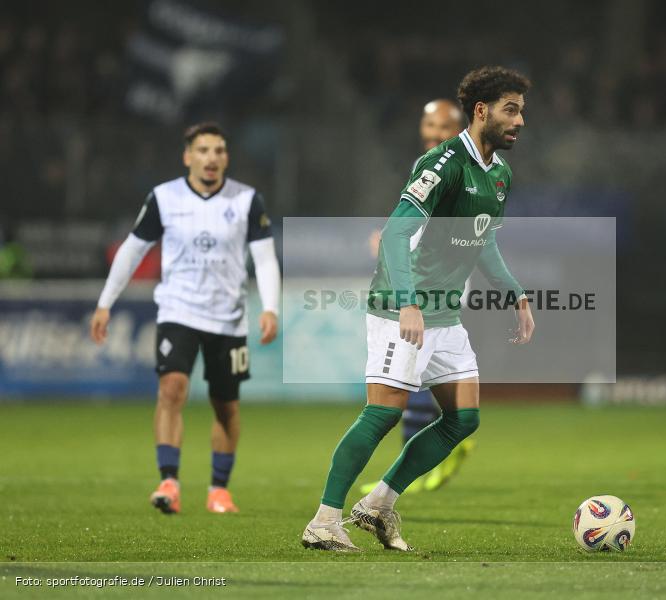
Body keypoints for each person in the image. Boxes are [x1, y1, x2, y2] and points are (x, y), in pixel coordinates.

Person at [302, 66, 535, 551]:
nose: (519, 121)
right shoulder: (444, 162)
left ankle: (378, 504)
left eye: (521, 111)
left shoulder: (500, 174)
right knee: (383, 414)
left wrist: (515, 293)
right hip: (400, 308)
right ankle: (323, 520)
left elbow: (484, 240)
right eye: (510, 110)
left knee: (463, 419)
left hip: (444, 314)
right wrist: (408, 303)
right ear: (481, 111)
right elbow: (394, 232)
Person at [90, 122, 281, 515]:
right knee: (171, 389)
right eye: (204, 150)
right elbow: (133, 249)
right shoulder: (164, 197)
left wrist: (270, 307)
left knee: (225, 405)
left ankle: (219, 490)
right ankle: (169, 482)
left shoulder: (246, 200)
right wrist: (106, 302)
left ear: (226, 157)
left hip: (228, 318)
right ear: (187, 156)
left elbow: (264, 259)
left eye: (219, 151)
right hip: (178, 310)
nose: (212, 158)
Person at [359, 98, 473, 497]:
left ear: (460, 130)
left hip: (438, 284)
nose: (435, 133)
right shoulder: (424, 165)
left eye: (444, 127)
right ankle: (438, 447)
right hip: (422, 280)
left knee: (408, 381)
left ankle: (415, 468)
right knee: (416, 381)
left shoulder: (458, 169)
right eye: (429, 125)